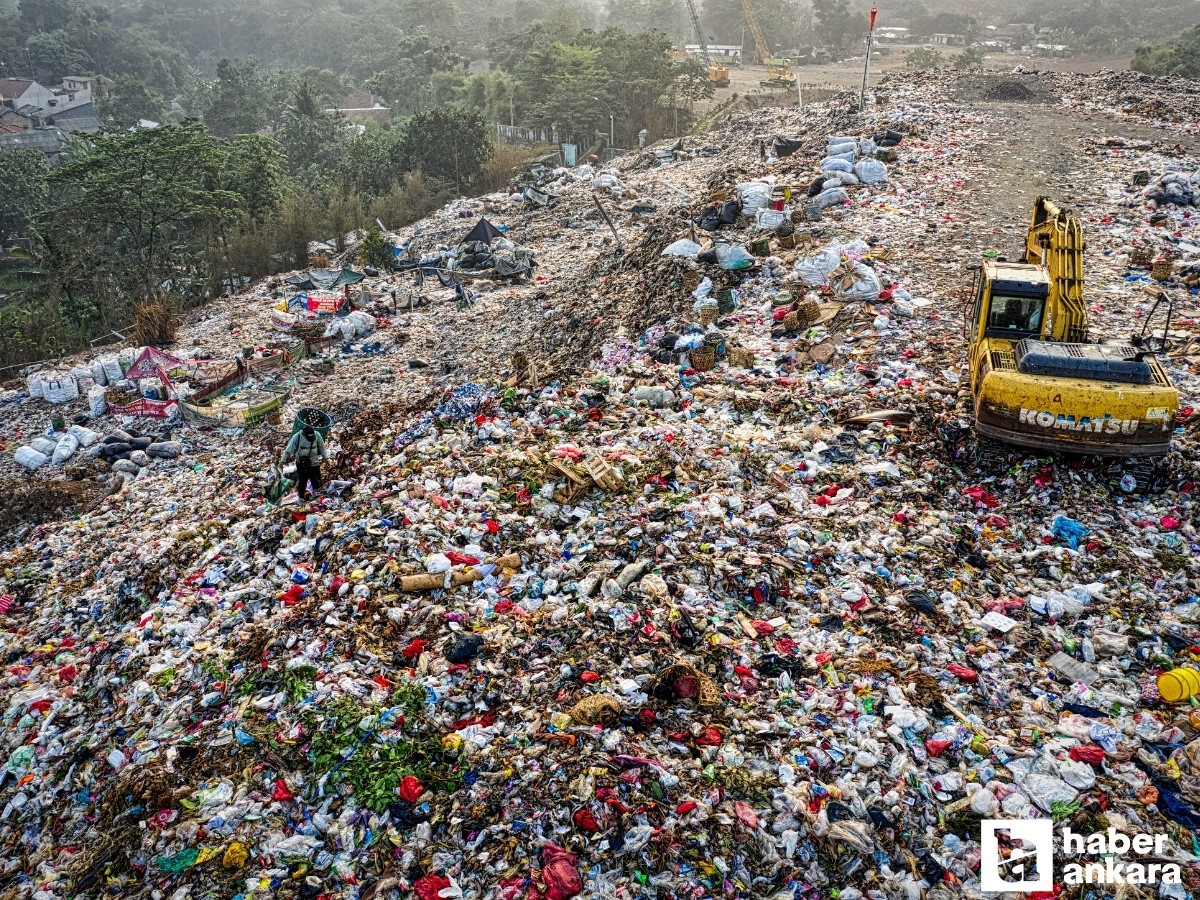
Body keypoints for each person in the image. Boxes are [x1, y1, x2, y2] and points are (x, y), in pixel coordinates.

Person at [282, 425, 330, 501]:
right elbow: (288, 450)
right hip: (302, 463)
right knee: (302, 480)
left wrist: (327, 459)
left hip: (314, 462)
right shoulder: (297, 437)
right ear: (304, 433)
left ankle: (318, 498)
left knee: (317, 480)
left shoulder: (317, 435)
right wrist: (282, 461)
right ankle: (301, 497)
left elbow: (322, 448)